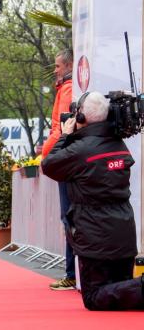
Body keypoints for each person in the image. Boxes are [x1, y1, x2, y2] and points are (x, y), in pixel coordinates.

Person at [41, 91, 143, 310]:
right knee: (120, 288)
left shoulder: (80, 151)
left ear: (80, 118)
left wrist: (65, 136)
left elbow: (48, 165)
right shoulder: (118, 146)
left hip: (94, 236)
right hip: (123, 232)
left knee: (94, 297)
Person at [41, 49, 76, 291]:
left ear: (69, 65)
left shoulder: (68, 89)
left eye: (58, 66)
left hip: (65, 160)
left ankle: (72, 274)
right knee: (69, 218)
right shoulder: (65, 88)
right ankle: (73, 273)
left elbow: (61, 127)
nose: (55, 70)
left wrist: (47, 156)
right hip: (66, 158)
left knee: (70, 218)